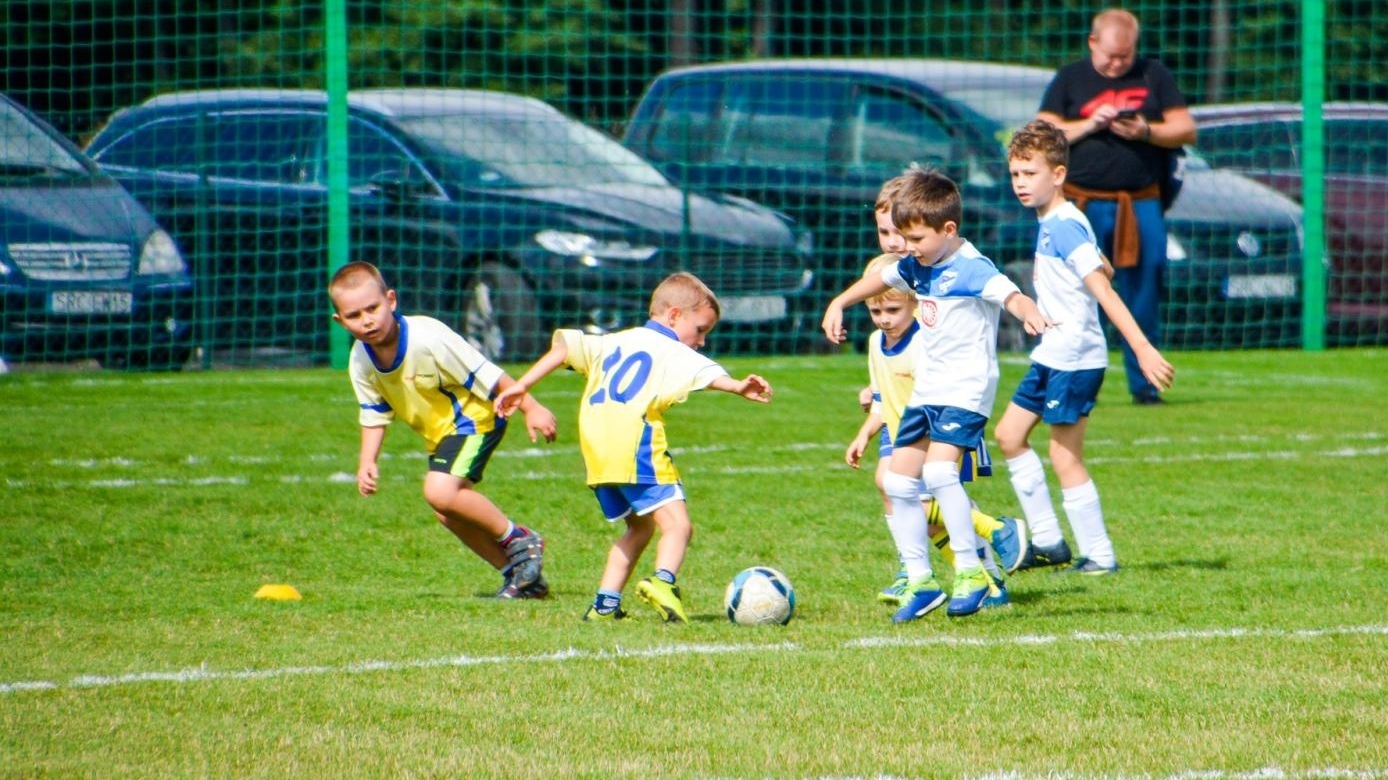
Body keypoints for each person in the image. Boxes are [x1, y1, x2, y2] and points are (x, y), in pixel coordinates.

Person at [823, 170, 1052, 621]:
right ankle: (921, 581)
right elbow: (881, 277)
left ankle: (970, 573)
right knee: (897, 482)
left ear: (948, 229)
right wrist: (839, 302)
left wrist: (1030, 312)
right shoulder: (917, 265)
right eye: (903, 238)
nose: (907, 247)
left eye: (916, 239)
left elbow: (1011, 294)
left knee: (940, 473)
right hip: (928, 389)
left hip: (966, 389)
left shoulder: (972, 268)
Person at [494, 272, 772, 622]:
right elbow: (709, 375)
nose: (701, 341)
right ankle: (663, 583)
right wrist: (738, 386)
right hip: (635, 444)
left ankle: (605, 604)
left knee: (639, 528)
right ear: (674, 316)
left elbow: (563, 348)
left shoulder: (613, 340)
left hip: (597, 451)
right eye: (700, 330)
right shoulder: (672, 349)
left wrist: (521, 386)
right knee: (678, 525)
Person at [993, 121, 1176, 575]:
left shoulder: (1065, 225)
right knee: (1009, 436)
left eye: (1030, 174)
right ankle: (1049, 542)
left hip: (1075, 357)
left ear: (1057, 175)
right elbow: (1102, 268)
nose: (1020, 183)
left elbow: (1105, 290)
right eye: (1015, 174)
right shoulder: (1058, 221)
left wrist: (1142, 348)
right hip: (1052, 352)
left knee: (1064, 455)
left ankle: (1100, 554)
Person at [329, 261, 557, 601]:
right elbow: (374, 413)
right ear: (340, 321)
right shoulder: (360, 359)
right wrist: (367, 461)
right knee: (447, 511)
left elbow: (488, 374)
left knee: (439, 492)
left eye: (372, 308)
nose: (367, 320)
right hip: (441, 434)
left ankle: (520, 538)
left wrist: (532, 407)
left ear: (391, 300)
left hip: (476, 418)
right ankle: (522, 579)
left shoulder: (427, 338)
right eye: (354, 315)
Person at [1035, 8, 1196, 405]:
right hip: (1081, 204)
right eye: (1111, 56)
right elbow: (1042, 132)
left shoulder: (1153, 74)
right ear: (1092, 43)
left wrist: (1145, 130)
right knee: (1071, 292)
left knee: (1144, 291)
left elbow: (1186, 129)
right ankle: (1060, 380)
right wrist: (1090, 123)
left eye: (1126, 56)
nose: (1118, 64)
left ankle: (1146, 384)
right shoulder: (1070, 78)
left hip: (1140, 202)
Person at [844, 254, 1020, 607]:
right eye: (875, 311)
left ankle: (990, 539)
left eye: (892, 310)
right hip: (900, 433)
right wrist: (864, 433)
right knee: (910, 502)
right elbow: (881, 396)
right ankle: (976, 579)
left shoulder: (926, 342)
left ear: (915, 302)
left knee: (926, 503)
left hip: (937, 430)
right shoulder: (875, 343)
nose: (884, 318)